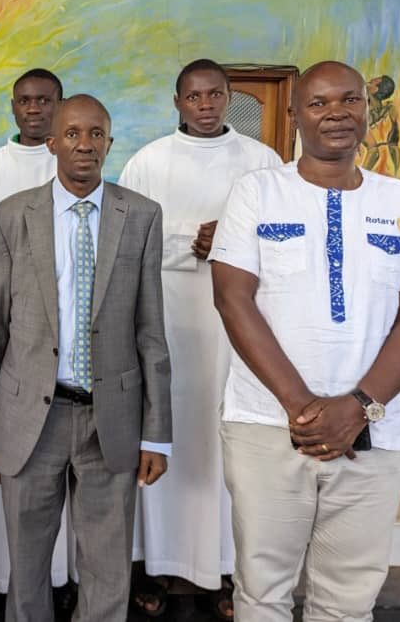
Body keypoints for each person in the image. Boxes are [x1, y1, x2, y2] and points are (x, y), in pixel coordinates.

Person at [210, 61, 400, 622]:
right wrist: (305, 409)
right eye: (318, 103)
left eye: (349, 100)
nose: (336, 113)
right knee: (262, 591)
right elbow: (231, 298)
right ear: (294, 116)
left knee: (348, 598)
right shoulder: (256, 193)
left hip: (375, 432)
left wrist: (359, 408)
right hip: (267, 427)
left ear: (368, 109)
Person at [0, 94, 172, 621]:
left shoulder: (141, 216)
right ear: (51, 142)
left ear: (110, 143)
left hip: (109, 418)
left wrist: (155, 432)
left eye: (95, 134)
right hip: (28, 421)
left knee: (108, 566)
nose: (84, 144)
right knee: (26, 566)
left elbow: (151, 332)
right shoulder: (10, 218)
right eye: (72, 134)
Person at [119, 59, 282, 620]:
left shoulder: (263, 162)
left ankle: (227, 572)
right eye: (194, 96)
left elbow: (283, 239)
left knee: (226, 439)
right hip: (169, 319)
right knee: (166, 434)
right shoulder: (148, 161)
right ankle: (156, 567)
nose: (206, 104)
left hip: (237, 326)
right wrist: (192, 240)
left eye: (216, 95)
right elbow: (128, 241)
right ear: (177, 102)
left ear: (230, 97)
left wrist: (233, 241)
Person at [0, 67, 73, 615]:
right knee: (2, 452)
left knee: (56, 461)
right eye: (25, 100)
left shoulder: (73, 161)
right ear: (12, 105)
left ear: (60, 105)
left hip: (65, 338)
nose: (35, 109)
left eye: (45, 100)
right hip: (5, 325)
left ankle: (56, 575)